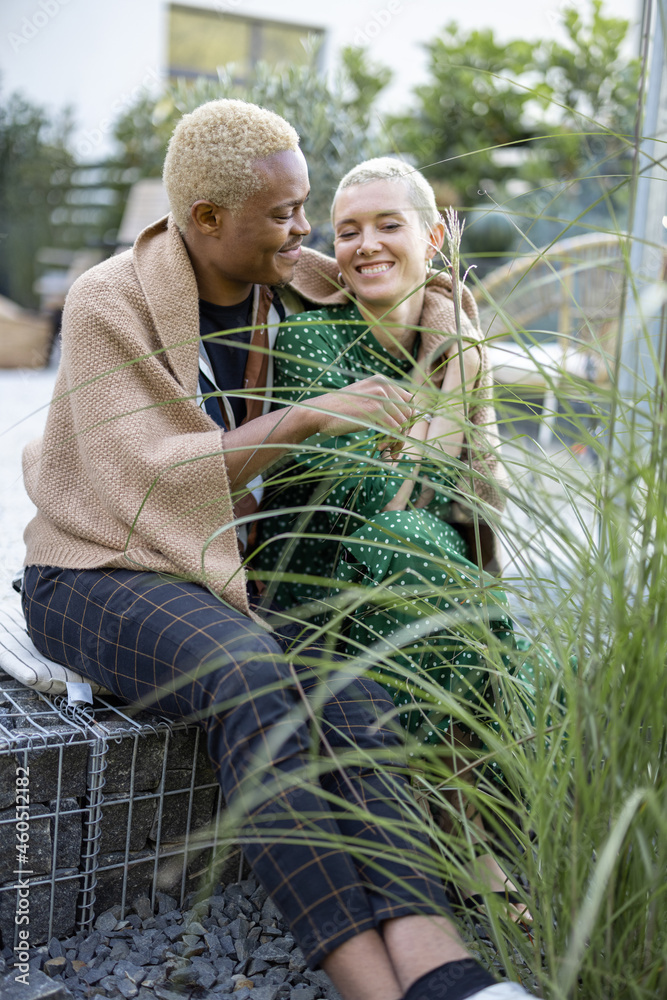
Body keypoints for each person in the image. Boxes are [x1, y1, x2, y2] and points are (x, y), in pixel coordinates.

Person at [20, 99, 540, 1000]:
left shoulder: (287, 276)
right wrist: (306, 417)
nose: (306, 232)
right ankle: (367, 982)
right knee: (251, 669)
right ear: (206, 220)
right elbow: (143, 477)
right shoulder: (113, 299)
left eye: (305, 208)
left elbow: (409, 289)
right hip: (97, 567)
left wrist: (452, 318)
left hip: (208, 575)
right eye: (285, 213)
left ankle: (443, 970)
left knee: (351, 686)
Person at [254, 156, 545, 920]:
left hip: (428, 576)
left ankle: (521, 823)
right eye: (347, 231)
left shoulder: (459, 353)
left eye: (389, 224)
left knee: (527, 648)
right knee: (414, 541)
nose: (365, 244)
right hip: (316, 585)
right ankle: (463, 832)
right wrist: (427, 447)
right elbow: (360, 489)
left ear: (436, 236)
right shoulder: (312, 341)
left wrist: (435, 409)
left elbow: (475, 503)